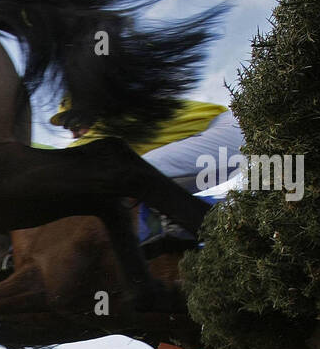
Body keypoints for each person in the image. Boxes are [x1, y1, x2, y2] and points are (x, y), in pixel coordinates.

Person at [50, 98, 245, 253]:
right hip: (219, 145)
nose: (73, 134)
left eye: (74, 125)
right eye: (68, 129)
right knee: (146, 182)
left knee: (135, 173)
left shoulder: (111, 122)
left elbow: (64, 159)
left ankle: (165, 228)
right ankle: (232, 217)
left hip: (229, 132)